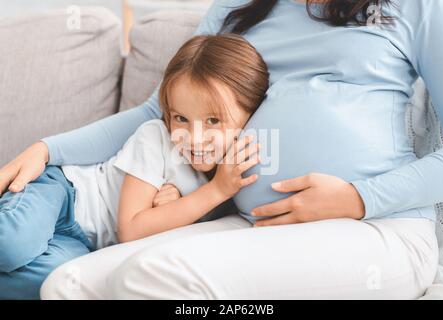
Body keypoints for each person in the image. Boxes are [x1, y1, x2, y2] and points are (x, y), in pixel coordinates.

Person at [1, 0, 443, 299]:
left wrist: (358, 198)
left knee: (154, 276)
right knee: (67, 283)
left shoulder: (416, 7)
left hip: (376, 228)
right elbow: (154, 113)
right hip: (253, 223)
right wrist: (49, 148)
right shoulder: (241, 8)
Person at [0, 34, 269, 299]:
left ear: (251, 115)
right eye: (181, 118)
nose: (194, 138)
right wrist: (216, 191)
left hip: (85, 243)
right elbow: (131, 229)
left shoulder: (234, 179)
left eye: (212, 121)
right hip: (63, 194)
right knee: (12, 243)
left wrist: (184, 201)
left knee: (57, 282)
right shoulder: (155, 138)